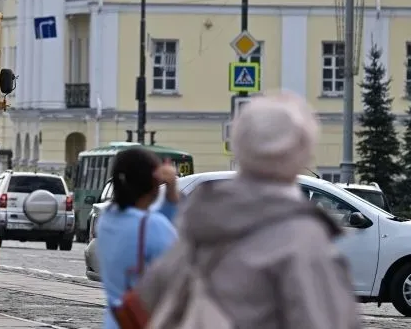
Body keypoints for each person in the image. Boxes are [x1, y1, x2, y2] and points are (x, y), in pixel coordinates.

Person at [134, 91, 361, 329]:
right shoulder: (302, 240)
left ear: (239, 146)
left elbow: (148, 298)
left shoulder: (201, 223)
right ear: (303, 152)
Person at [95, 147, 179, 329]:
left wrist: (169, 194)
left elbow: (144, 221)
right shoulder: (152, 226)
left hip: (116, 321)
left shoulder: (107, 218)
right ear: (154, 182)